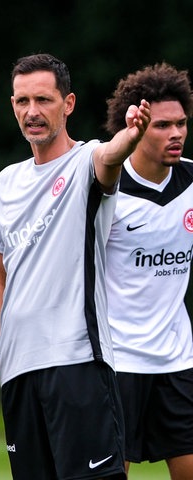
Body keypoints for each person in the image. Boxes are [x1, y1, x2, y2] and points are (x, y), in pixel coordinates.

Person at [0, 53, 151, 480]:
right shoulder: (5, 182)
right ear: (12, 104)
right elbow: (1, 280)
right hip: (17, 371)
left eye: (44, 100)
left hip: (77, 363)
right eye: (22, 101)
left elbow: (111, 158)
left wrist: (131, 136)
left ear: (68, 104)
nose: (32, 112)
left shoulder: (87, 161)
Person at [104, 62, 193, 480]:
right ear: (136, 128)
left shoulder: (192, 180)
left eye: (181, 123)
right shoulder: (105, 190)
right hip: (117, 362)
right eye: (161, 125)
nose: (175, 133)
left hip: (179, 360)